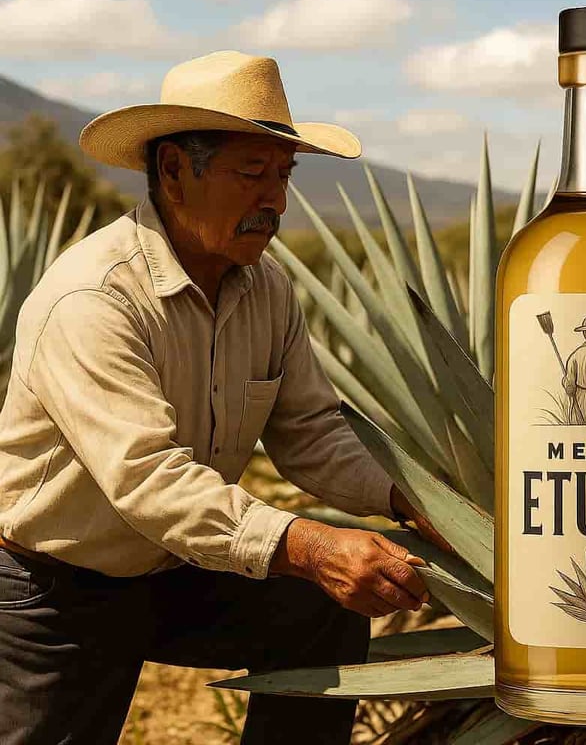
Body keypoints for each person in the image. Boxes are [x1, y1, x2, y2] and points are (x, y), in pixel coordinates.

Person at [0, 50, 451, 745]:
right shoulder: (93, 299)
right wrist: (309, 543)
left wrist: (417, 500)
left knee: (317, 610)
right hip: (53, 587)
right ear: (176, 170)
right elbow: (150, 480)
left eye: (283, 174)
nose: (274, 198)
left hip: (178, 569)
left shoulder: (266, 289)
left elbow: (310, 433)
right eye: (251, 173)